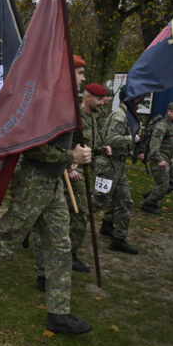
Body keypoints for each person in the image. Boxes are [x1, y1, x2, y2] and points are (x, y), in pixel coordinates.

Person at [0, 62, 94, 335]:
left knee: (60, 247)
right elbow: (32, 149)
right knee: (9, 237)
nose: (83, 78)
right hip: (34, 182)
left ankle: (58, 313)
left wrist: (69, 162)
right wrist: (70, 157)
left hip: (53, 183)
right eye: (79, 73)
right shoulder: (45, 103)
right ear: (65, 73)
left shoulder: (66, 102)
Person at [63, 77, 111, 273]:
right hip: (72, 171)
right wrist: (69, 168)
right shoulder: (76, 117)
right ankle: (70, 254)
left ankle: (30, 232)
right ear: (87, 97)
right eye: (99, 99)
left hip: (84, 170)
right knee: (82, 212)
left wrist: (101, 150)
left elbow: (86, 145)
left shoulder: (92, 117)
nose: (102, 103)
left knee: (64, 211)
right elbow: (65, 143)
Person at [92, 85, 139, 254]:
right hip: (108, 166)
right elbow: (112, 140)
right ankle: (66, 225)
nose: (140, 102)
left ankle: (117, 237)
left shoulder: (127, 115)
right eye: (138, 98)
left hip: (118, 166)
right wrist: (132, 138)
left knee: (125, 202)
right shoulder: (119, 116)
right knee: (96, 202)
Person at [141, 102, 173, 215]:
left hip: (168, 158)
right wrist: (159, 160)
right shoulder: (161, 125)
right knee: (163, 184)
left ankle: (153, 194)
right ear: (168, 111)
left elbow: (171, 142)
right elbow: (154, 146)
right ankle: (149, 203)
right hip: (158, 158)